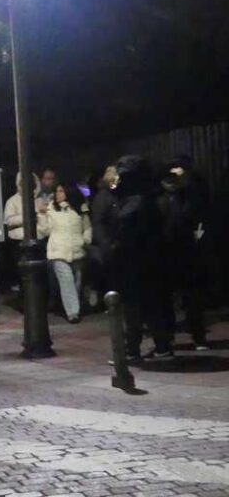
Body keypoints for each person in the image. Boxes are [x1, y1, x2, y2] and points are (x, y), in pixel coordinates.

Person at [110, 155, 172, 362]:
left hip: (136, 262)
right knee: (149, 306)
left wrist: (117, 248)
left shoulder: (135, 202)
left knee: (135, 308)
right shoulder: (146, 198)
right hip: (147, 261)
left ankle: (134, 349)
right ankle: (159, 346)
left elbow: (126, 233)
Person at [157, 156, 209, 350]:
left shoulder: (188, 194)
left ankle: (197, 335)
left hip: (185, 251)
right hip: (169, 251)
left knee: (191, 296)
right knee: (169, 298)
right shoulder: (162, 198)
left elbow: (194, 215)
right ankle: (171, 337)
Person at [37, 182, 92, 323]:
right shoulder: (51, 209)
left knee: (77, 283)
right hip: (58, 251)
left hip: (77, 250)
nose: (58, 194)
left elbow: (87, 227)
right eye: (57, 191)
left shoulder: (80, 209)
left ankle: (73, 307)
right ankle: (73, 313)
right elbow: (45, 231)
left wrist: (85, 240)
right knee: (66, 281)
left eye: (61, 191)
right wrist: (42, 215)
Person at [3, 172, 42, 292]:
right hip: (18, 241)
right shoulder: (12, 201)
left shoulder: (39, 200)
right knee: (22, 272)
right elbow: (9, 221)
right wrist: (28, 217)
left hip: (38, 239)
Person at [89, 166, 119, 303]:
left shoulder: (110, 196)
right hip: (107, 245)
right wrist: (106, 245)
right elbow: (99, 223)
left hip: (110, 243)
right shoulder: (104, 197)